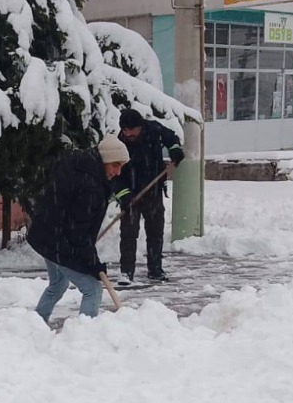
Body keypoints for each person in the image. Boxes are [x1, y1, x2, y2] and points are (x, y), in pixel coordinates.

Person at [28, 135, 129, 323]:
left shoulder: (85, 166)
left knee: (58, 284)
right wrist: (93, 263)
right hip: (56, 239)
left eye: (121, 166)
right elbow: (78, 231)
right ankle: (84, 334)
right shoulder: (90, 185)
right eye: (116, 165)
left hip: (45, 232)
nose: (118, 171)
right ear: (105, 160)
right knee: (93, 289)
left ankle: (36, 323)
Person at [115, 107, 185, 286]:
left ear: (141, 127)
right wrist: (124, 196)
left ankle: (155, 270)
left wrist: (175, 150)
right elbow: (115, 176)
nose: (129, 133)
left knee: (155, 233)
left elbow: (172, 138)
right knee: (128, 235)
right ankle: (126, 273)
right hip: (130, 195)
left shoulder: (154, 130)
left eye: (132, 129)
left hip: (153, 190)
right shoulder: (119, 144)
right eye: (125, 130)